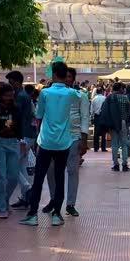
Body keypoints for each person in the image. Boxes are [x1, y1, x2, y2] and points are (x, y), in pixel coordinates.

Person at [21, 60, 81, 227]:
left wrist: (40, 134)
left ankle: (33, 214)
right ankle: (57, 214)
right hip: (64, 142)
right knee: (60, 177)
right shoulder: (71, 94)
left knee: (39, 178)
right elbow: (79, 96)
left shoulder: (45, 93)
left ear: (54, 75)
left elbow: (39, 117)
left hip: (46, 141)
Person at [44, 66, 89, 217]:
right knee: (51, 170)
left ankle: (70, 203)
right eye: (65, 76)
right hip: (54, 138)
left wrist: (84, 139)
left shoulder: (80, 96)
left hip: (73, 137)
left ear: (73, 79)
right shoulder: (50, 94)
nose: (67, 79)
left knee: (72, 171)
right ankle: (54, 199)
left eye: (69, 77)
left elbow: (85, 117)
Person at [0, 83, 21, 218]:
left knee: (13, 176)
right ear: (1, 95)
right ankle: (1, 207)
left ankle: (5, 199)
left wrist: (16, 131)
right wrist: (2, 130)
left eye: (11, 96)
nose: (9, 98)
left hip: (13, 142)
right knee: (0, 177)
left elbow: (20, 126)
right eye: (6, 95)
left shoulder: (15, 109)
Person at [5, 70, 37, 209]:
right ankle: (26, 197)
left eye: (11, 82)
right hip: (27, 135)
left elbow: (18, 118)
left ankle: (27, 188)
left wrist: (18, 137)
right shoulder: (23, 95)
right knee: (21, 166)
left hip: (23, 135)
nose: (9, 84)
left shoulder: (20, 97)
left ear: (17, 81)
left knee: (11, 165)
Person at [101, 81, 130, 171]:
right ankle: (125, 164)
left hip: (113, 123)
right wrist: (125, 118)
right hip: (123, 122)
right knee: (124, 144)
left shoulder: (109, 97)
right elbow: (128, 111)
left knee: (114, 144)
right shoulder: (125, 98)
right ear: (120, 89)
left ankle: (116, 164)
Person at [91, 86, 107, 152]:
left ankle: (96, 147)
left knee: (96, 133)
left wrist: (91, 117)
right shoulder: (105, 98)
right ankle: (103, 148)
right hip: (103, 116)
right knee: (103, 133)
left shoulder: (94, 99)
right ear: (102, 92)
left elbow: (91, 110)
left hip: (96, 116)